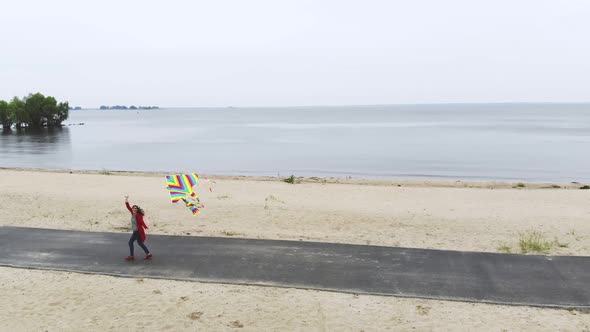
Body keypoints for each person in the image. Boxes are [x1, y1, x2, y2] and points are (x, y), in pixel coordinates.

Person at [124, 195, 152, 261]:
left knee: (130, 242)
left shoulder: (138, 215)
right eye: (133, 208)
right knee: (140, 243)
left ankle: (131, 256)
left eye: (135, 208)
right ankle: (148, 253)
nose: (134, 209)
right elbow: (128, 207)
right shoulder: (133, 213)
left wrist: (146, 227)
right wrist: (126, 199)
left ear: (137, 210)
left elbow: (142, 222)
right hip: (136, 231)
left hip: (137, 231)